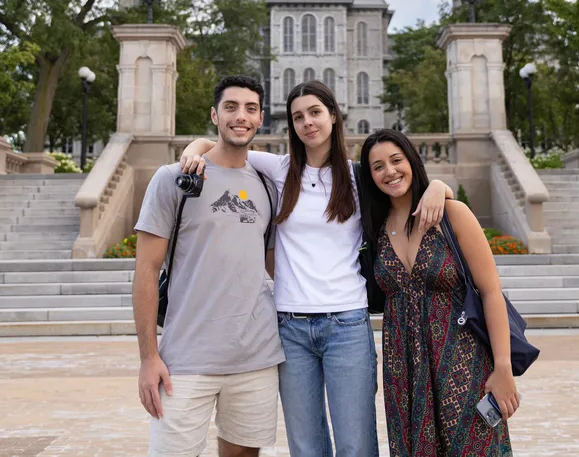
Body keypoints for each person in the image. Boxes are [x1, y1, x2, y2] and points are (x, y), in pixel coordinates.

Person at [180, 80, 451, 457]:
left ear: (333, 116)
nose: (307, 122)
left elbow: (406, 187)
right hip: (290, 329)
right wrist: (192, 151)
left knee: (355, 445)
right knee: (306, 448)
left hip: (347, 325)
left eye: (315, 112)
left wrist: (439, 185)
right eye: (297, 117)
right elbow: (218, 145)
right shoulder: (277, 168)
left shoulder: (359, 177)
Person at [133, 75, 283, 457]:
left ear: (261, 118)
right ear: (214, 115)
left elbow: (272, 265)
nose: (241, 116)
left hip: (256, 357)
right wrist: (149, 358)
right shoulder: (174, 179)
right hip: (185, 358)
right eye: (231, 107)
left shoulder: (267, 185)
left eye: (250, 109)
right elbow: (147, 271)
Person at [358, 128, 520, 457]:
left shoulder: (451, 214)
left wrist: (502, 368)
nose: (389, 171)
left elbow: (491, 291)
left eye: (396, 160)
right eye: (377, 167)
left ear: (412, 161)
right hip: (404, 371)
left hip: (462, 363)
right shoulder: (375, 227)